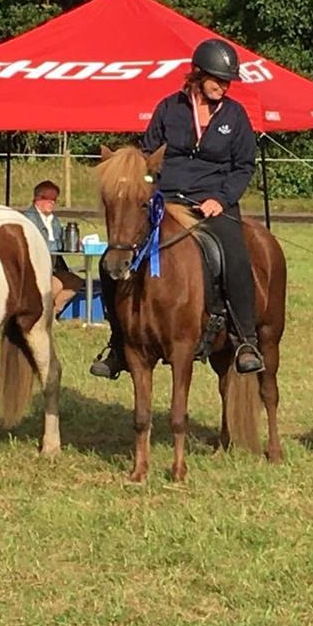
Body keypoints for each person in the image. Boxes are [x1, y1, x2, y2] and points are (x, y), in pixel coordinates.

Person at [90, 37, 264, 379]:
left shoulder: (235, 115)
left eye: (228, 81)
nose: (224, 86)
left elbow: (244, 165)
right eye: (218, 79)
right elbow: (148, 157)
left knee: (237, 256)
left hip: (213, 204)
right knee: (110, 259)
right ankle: (117, 343)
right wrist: (146, 189)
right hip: (167, 202)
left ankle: (245, 340)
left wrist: (222, 198)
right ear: (197, 75)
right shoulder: (168, 109)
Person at [23, 180, 82, 314]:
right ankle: (41, 312)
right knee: (57, 283)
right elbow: (39, 244)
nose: (52, 203)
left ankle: (53, 312)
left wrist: (74, 242)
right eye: (49, 199)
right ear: (38, 199)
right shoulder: (29, 218)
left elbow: (59, 243)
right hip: (36, 268)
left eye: (54, 199)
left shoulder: (54, 220)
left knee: (75, 281)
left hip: (54, 266)